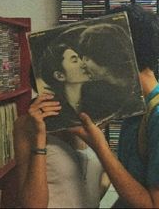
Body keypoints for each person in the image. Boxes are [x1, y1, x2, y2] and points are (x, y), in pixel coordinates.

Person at [70, 4, 159, 208]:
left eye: (97, 52)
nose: (86, 66)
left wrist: (100, 146)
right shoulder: (137, 107)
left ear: (120, 54)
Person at [13, 26, 110, 208]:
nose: (83, 63)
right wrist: (40, 137)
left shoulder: (93, 118)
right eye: (75, 60)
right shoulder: (27, 125)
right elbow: (32, 205)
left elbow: (102, 178)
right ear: (59, 75)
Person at [78, 22, 145, 122]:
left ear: (104, 58)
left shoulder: (136, 94)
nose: (82, 63)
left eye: (87, 58)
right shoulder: (93, 93)